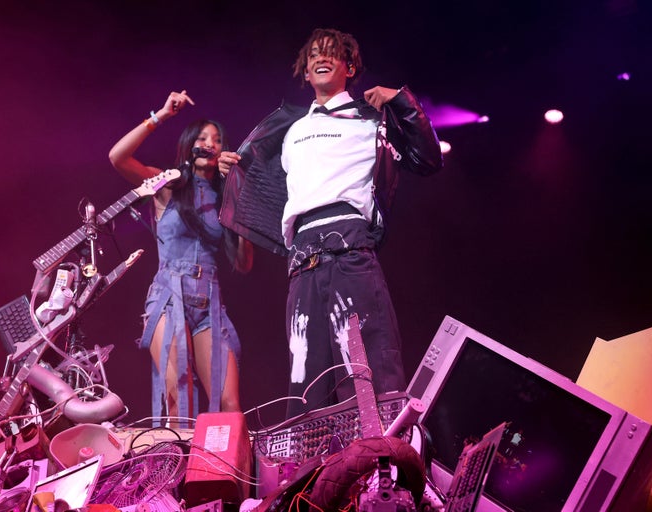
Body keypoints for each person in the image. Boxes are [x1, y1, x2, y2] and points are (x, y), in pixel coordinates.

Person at [219, 28, 443, 418]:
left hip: (350, 250)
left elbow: (428, 159)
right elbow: (264, 190)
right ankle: (312, 477)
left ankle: (381, 471)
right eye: (313, 55)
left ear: (349, 66)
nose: (321, 58)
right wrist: (234, 168)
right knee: (306, 380)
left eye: (332, 53)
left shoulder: (371, 119)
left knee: (367, 369)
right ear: (305, 72)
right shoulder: (289, 130)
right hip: (302, 260)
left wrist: (401, 100)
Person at [109, 90, 253, 422]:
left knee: (229, 405)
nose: (211, 143)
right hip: (170, 295)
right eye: (203, 137)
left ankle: (225, 471)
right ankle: (177, 469)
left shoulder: (226, 200)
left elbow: (245, 263)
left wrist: (241, 200)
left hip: (210, 302)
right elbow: (118, 157)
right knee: (179, 395)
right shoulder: (167, 186)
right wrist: (161, 115)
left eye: (217, 140)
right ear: (190, 146)